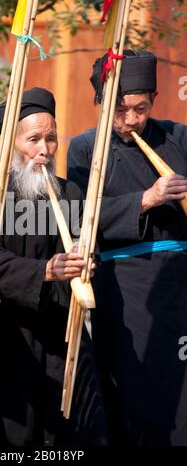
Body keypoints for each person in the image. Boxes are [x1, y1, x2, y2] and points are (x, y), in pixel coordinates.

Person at [0, 87, 108, 447]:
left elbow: (87, 255)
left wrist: (85, 261)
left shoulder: (69, 193)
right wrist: (46, 271)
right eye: (34, 139)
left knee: (73, 435)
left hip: (62, 338)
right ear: (11, 142)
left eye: (52, 138)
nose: (45, 150)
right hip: (5, 341)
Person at [67, 50, 187, 445]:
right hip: (120, 287)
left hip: (178, 286)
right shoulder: (85, 148)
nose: (131, 120)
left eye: (140, 107)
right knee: (129, 391)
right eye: (120, 109)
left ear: (153, 99)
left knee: (180, 391)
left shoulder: (177, 136)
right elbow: (79, 217)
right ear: (100, 105)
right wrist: (146, 199)